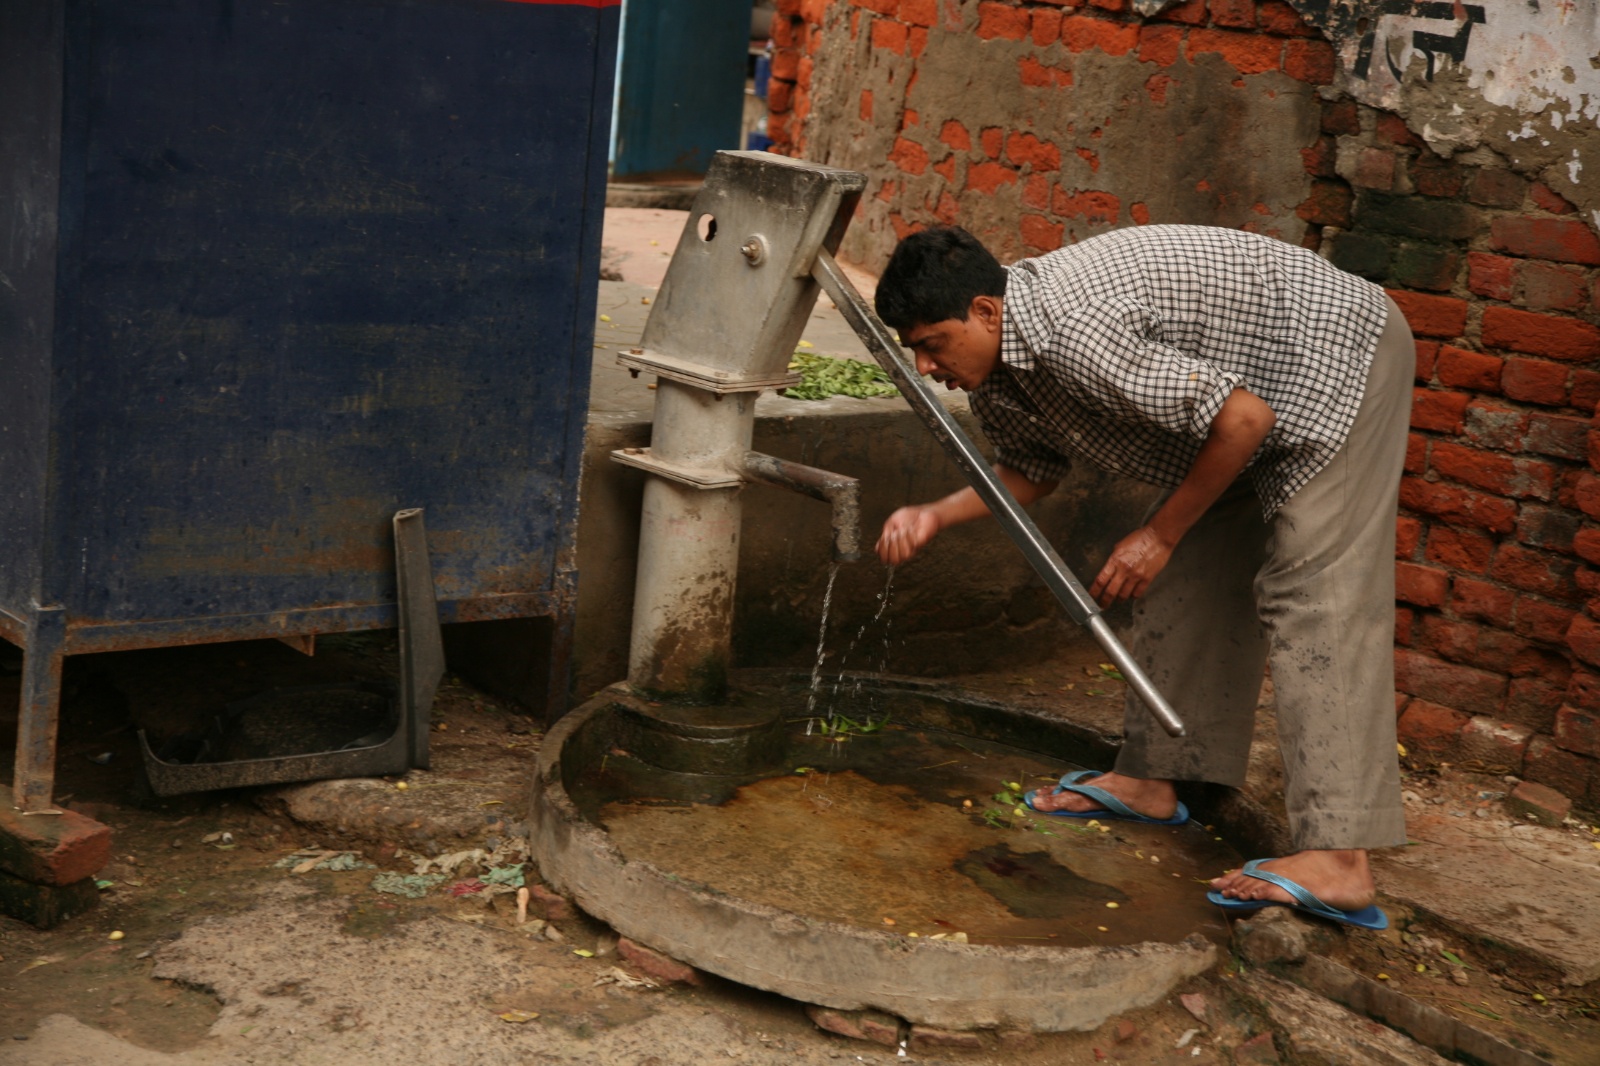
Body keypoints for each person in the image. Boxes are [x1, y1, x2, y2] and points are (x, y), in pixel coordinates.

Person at [873, 224, 1413, 929]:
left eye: (933, 344)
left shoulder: (1076, 331)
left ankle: (1340, 858)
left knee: (1316, 595)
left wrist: (1158, 534)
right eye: (913, 350)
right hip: (1249, 398)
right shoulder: (998, 371)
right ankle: (1150, 779)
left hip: (1336, 355)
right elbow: (1031, 469)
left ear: (985, 312)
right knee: (1186, 566)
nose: (924, 366)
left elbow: (1244, 420)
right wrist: (935, 515)